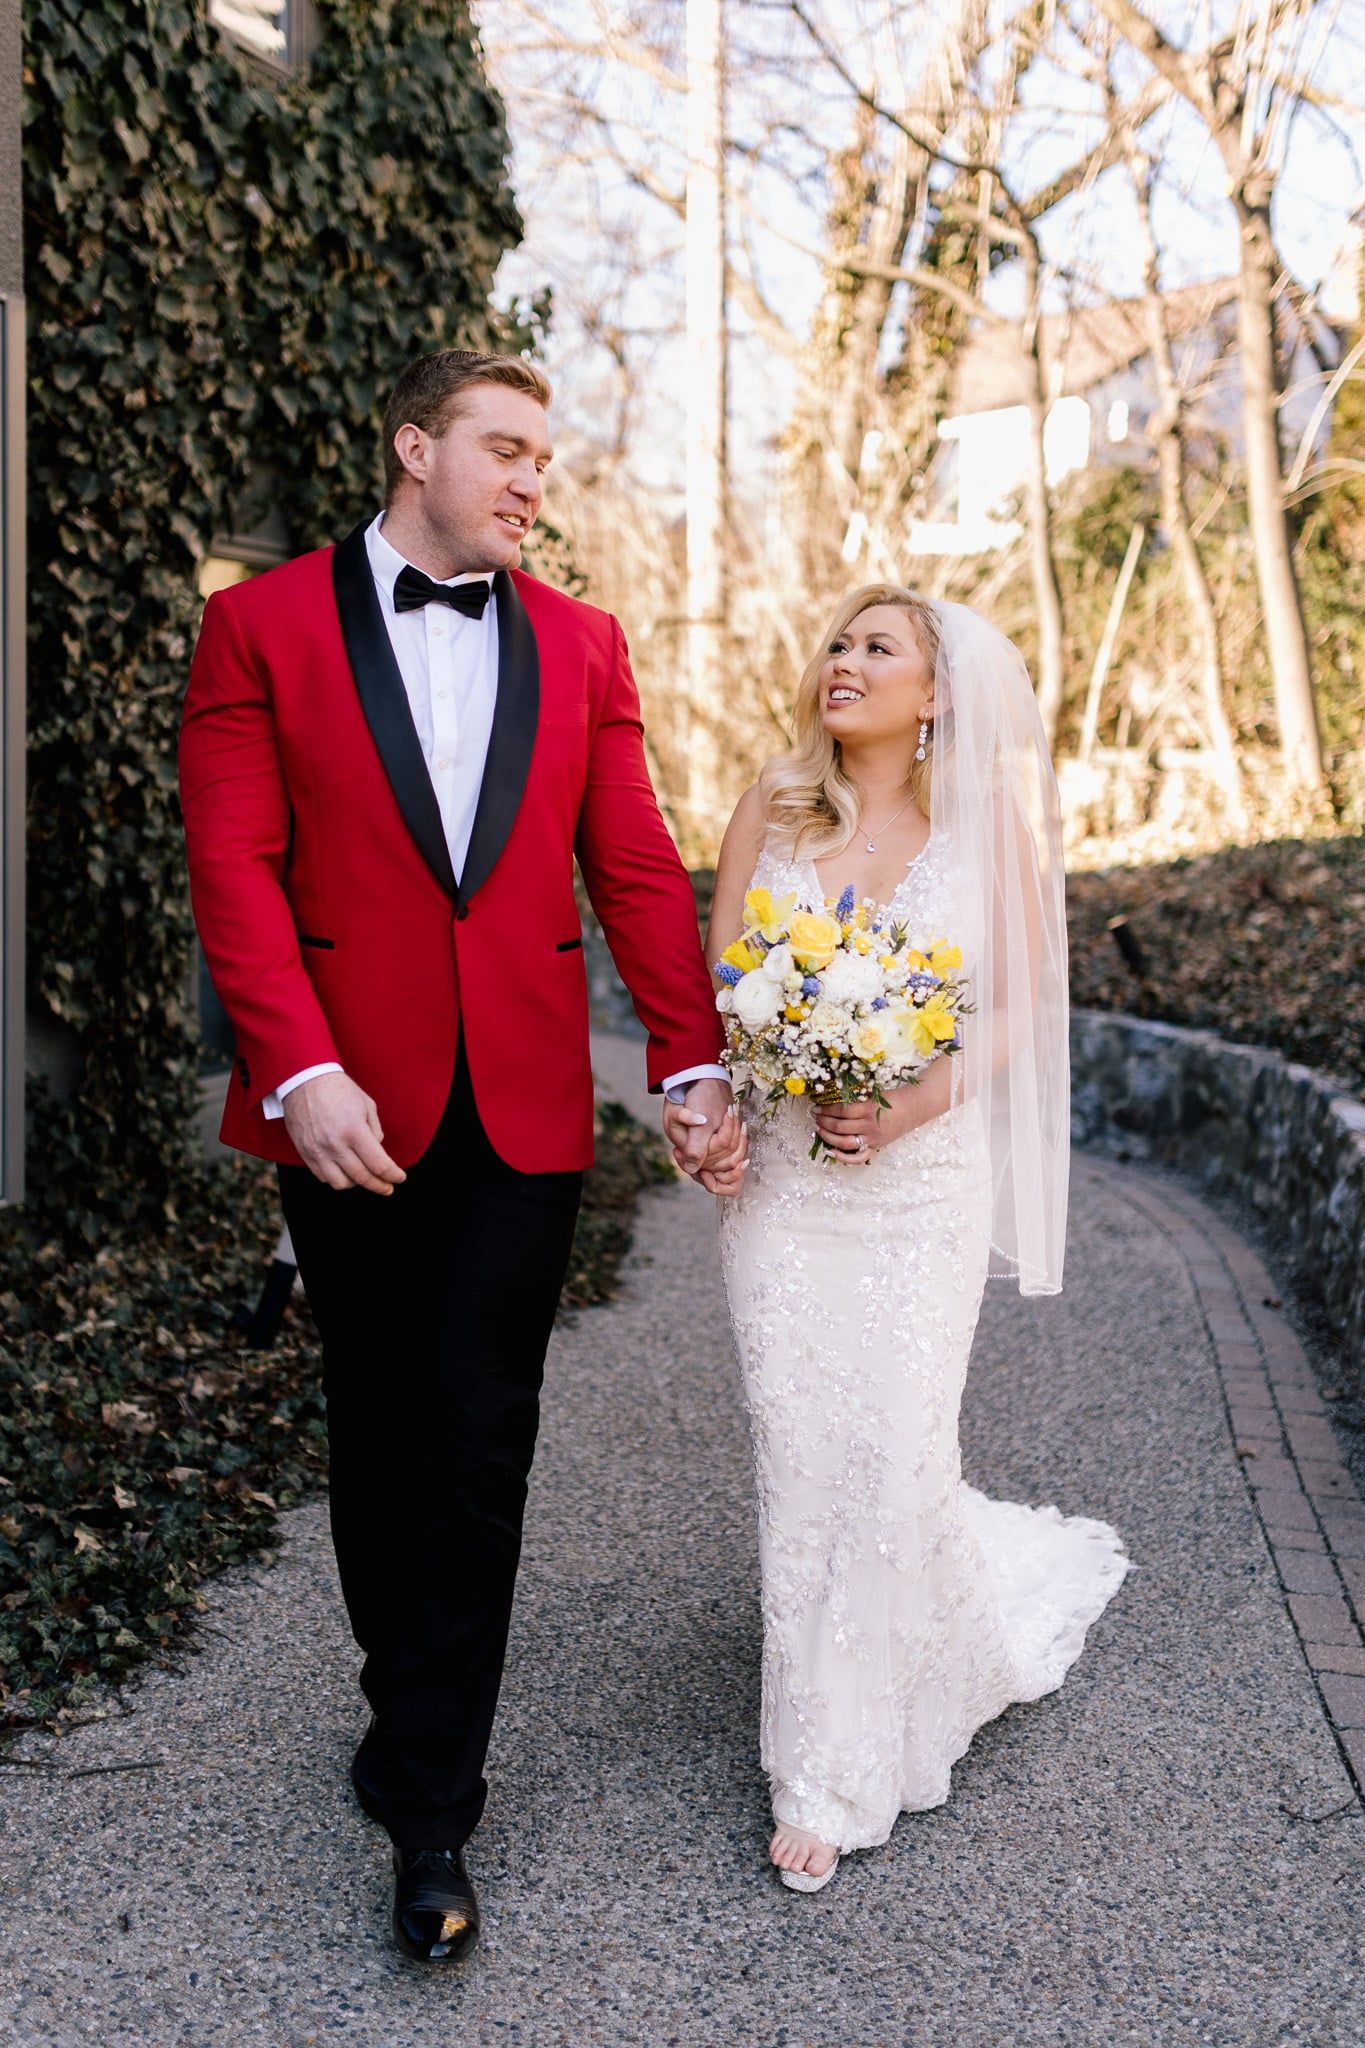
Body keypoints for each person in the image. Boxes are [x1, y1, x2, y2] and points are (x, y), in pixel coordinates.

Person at [179, 349, 745, 1964]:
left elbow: (631, 861)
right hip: (346, 1109)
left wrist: (686, 1054)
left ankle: (434, 1803)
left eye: (543, 459)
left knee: (484, 1437)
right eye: (502, 448)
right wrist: (297, 1070)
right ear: (413, 446)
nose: (527, 480)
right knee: (381, 1430)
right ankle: (403, 1707)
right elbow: (235, 861)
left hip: (521, 1106)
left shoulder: (579, 640)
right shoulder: (258, 627)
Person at [708, 586, 1130, 1892]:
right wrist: (735, 1092)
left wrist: (905, 1099)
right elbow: (722, 982)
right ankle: (838, 1693)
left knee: (891, 1444)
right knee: (801, 1438)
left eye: (875, 649)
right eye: (835, 641)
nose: (842, 661)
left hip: (918, 1178)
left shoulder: (979, 825)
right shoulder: (768, 809)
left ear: (935, 694)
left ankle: (828, 1767)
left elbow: (1016, 1005)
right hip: (786, 1187)